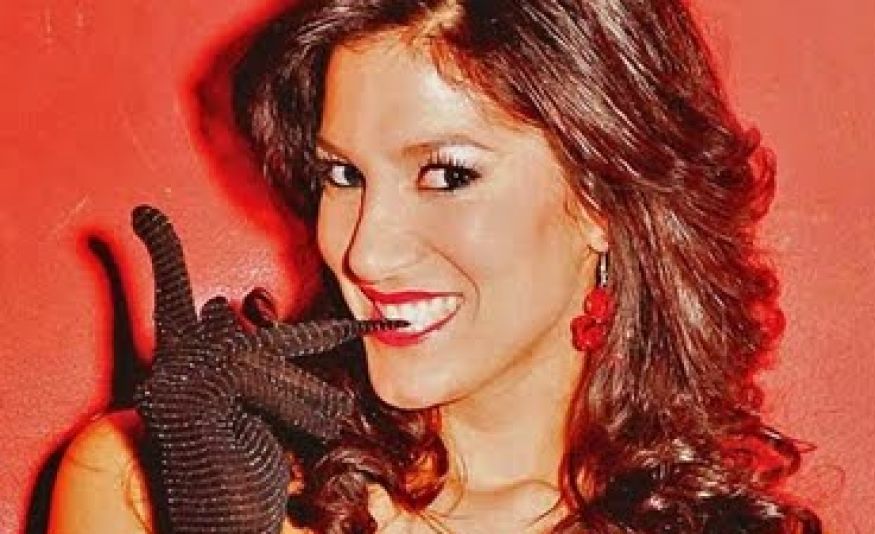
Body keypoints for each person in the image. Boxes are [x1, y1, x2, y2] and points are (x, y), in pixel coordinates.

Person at [49, 0, 822, 532]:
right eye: (343, 175)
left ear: (602, 198)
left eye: (447, 174)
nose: (366, 250)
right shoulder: (144, 484)